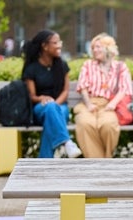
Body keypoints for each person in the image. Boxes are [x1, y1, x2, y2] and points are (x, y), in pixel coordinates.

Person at [22, 29, 82, 158]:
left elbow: (65, 91)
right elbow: (32, 96)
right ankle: (67, 142)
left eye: (59, 42)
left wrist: (54, 104)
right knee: (50, 110)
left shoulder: (62, 65)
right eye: (55, 42)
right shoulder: (31, 69)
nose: (59, 45)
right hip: (40, 109)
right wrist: (41, 98)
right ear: (44, 46)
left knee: (52, 113)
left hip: (60, 107)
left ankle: (43, 163)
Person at [74, 33, 133, 158]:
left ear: (109, 48)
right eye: (93, 48)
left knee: (108, 125)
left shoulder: (120, 67)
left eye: (98, 47)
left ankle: (105, 159)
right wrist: (89, 104)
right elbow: (83, 87)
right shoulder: (88, 65)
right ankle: (97, 162)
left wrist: (113, 104)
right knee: (85, 123)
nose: (95, 50)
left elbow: (124, 89)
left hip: (109, 104)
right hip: (89, 103)